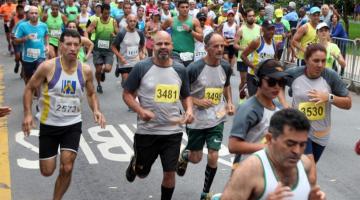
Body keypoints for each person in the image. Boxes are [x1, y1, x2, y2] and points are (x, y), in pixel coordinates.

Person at [22, 29, 106, 200]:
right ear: (61, 46)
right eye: (68, 44)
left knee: (67, 167)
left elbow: (90, 93)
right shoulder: (48, 67)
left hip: (72, 124)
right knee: (47, 171)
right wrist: (28, 114)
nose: (73, 48)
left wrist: (96, 110)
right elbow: (30, 88)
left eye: (76, 45)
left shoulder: (86, 70)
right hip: (49, 125)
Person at [123, 31, 193, 200]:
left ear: (172, 46)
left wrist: (189, 110)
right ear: (152, 46)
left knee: (170, 173)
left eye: (166, 44)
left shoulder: (180, 69)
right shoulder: (141, 67)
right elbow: (127, 94)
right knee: (142, 173)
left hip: (172, 132)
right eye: (159, 44)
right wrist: (140, 110)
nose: (163, 47)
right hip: (147, 132)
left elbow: (186, 95)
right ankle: (136, 164)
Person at [176, 32, 234, 200]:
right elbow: (182, 94)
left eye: (222, 46)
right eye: (215, 46)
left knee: (214, 155)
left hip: (217, 117)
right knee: (196, 158)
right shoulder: (194, 69)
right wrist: (196, 102)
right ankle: (185, 155)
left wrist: (229, 101)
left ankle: (205, 192)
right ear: (206, 47)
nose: (220, 49)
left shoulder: (225, 66)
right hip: (197, 119)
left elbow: (226, 86)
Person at [222, 109, 326, 200]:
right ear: (270, 139)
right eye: (290, 144)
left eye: (302, 144)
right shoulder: (249, 170)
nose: (297, 151)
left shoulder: (305, 165)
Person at [279, 44, 352, 163]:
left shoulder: (330, 76)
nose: (320, 65)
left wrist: (329, 97)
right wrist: (284, 103)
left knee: (308, 169)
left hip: (321, 133)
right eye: (316, 61)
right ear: (306, 60)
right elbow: (279, 81)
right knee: (306, 167)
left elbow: (348, 103)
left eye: (323, 61)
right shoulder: (295, 73)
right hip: (298, 129)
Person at [229, 59, 287, 168]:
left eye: (281, 82)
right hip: (245, 170)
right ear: (258, 81)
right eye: (272, 82)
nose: (277, 86)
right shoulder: (248, 109)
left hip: (268, 170)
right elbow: (233, 145)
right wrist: (268, 148)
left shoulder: (279, 108)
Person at [87, 3, 119, 94]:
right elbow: (87, 31)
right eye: (105, 13)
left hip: (109, 50)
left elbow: (118, 34)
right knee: (97, 70)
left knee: (108, 69)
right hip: (98, 49)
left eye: (108, 13)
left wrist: (115, 35)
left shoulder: (113, 21)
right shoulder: (96, 21)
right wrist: (88, 42)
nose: (106, 15)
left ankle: (103, 72)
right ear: (101, 12)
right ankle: (99, 85)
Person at [162, 0, 203, 67]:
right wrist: (167, 39)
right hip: (175, 52)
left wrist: (190, 30)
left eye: (187, 7)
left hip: (189, 53)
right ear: (178, 8)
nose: (185, 9)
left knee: (187, 74)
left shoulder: (194, 21)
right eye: (182, 7)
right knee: (177, 72)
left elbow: (201, 38)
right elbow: (162, 28)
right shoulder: (171, 20)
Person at [14, 6, 49, 84]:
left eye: (36, 13)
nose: (34, 15)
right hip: (27, 58)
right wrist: (25, 38)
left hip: (40, 55)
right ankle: (29, 90)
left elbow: (47, 34)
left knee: (39, 76)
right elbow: (15, 41)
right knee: (28, 79)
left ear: (39, 14)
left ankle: (38, 94)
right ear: (28, 14)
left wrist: (47, 45)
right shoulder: (22, 26)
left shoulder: (43, 25)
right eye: (32, 13)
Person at [241, 20, 276, 97]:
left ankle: (247, 89)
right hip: (254, 76)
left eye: (273, 29)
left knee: (265, 99)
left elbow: (274, 60)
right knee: (254, 100)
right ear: (263, 29)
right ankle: (247, 88)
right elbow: (243, 56)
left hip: (266, 77)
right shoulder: (257, 42)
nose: (271, 31)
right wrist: (254, 67)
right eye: (269, 29)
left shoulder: (274, 42)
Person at [233, 8, 260, 101]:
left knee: (254, 81)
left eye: (253, 16)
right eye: (249, 16)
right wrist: (244, 48)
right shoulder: (241, 30)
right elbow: (235, 45)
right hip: (243, 59)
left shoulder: (259, 28)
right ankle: (241, 98)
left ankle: (253, 100)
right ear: (245, 17)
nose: (251, 18)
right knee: (244, 81)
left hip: (255, 60)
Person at [111, 14, 145, 84]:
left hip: (136, 63)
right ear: (127, 22)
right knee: (126, 84)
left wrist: (142, 53)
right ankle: (119, 67)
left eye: (134, 21)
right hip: (125, 63)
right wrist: (120, 57)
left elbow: (142, 44)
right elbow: (113, 47)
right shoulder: (121, 33)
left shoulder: (139, 33)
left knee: (134, 86)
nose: (133, 23)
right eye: (131, 21)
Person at [10, 4, 26, 74]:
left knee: (23, 57)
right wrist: (12, 35)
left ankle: (23, 70)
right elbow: (11, 27)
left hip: (23, 40)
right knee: (18, 56)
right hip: (16, 40)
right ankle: (17, 63)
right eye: (19, 10)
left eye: (21, 10)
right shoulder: (14, 19)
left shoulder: (26, 18)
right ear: (16, 11)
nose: (20, 11)